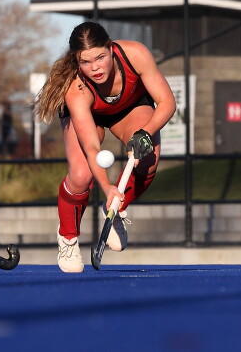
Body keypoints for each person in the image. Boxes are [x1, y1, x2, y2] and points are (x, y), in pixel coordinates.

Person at [35, 21, 176, 273]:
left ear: (110, 48)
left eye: (100, 57)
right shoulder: (76, 87)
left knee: (148, 159)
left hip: (131, 106)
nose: (95, 68)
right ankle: (67, 238)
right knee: (81, 174)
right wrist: (107, 186)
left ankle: (116, 208)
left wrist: (145, 133)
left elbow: (166, 102)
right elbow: (91, 146)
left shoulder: (136, 55)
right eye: (85, 62)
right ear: (76, 60)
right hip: (89, 113)